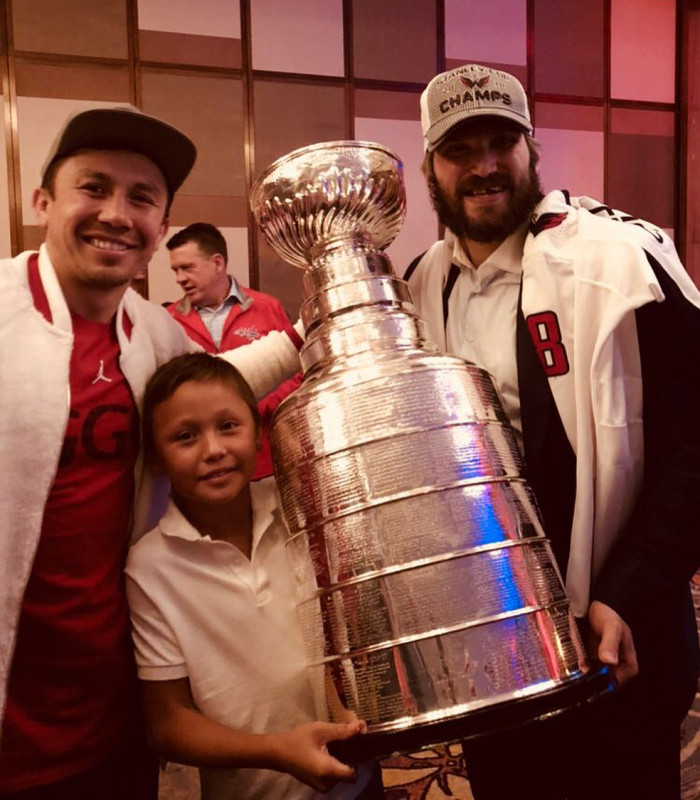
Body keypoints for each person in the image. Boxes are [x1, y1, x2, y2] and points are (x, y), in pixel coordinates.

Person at [406, 63, 700, 799]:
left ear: (531, 149)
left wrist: (629, 590)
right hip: (493, 647)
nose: (483, 166)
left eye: (500, 142)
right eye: (459, 149)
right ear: (430, 168)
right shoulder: (422, 282)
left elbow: (694, 445)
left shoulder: (621, 261)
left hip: (618, 631)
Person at [0, 106, 301, 799]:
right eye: (93, 187)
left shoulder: (153, 334)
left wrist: (309, 335)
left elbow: (210, 388)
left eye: (141, 198)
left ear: (160, 228)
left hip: (109, 713)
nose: (116, 213)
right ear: (42, 201)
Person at [125, 352, 380, 799]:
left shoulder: (296, 509)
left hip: (354, 779)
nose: (214, 450)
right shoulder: (150, 567)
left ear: (259, 433)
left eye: (228, 426)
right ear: (157, 458)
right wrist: (275, 750)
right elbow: (168, 724)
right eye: (185, 436)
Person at [165, 222, 302, 479]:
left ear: (217, 263)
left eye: (187, 268)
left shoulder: (267, 307)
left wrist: (251, 406)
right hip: (207, 468)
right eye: (175, 270)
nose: (179, 278)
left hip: (267, 459)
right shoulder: (168, 321)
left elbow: (296, 374)